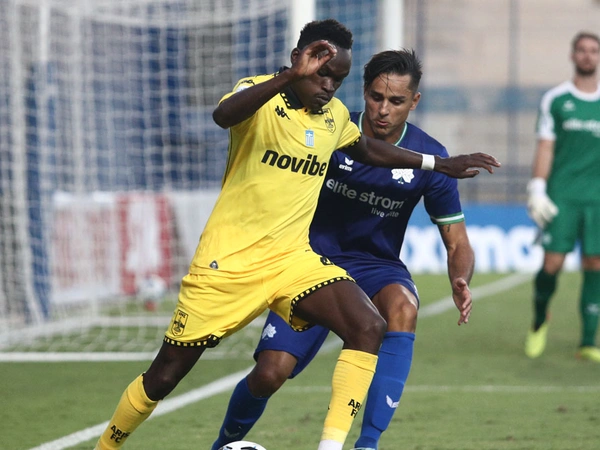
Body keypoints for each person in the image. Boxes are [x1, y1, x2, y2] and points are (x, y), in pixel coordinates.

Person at [95, 19, 499, 450]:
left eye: (337, 79)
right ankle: (107, 446)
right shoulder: (259, 95)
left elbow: (366, 149)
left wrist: (438, 164)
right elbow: (222, 115)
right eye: (322, 74)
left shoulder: (335, 117)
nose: (328, 86)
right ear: (298, 60)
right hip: (229, 263)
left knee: (369, 326)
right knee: (167, 375)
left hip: (294, 260)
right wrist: (288, 77)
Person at [211, 49, 475, 450]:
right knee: (269, 374)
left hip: (376, 266)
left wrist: (460, 278)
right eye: (376, 97)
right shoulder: (329, 128)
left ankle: (367, 444)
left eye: (396, 101)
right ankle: (222, 444)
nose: (383, 110)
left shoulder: (430, 156)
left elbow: (457, 241)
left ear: (414, 101)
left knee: (403, 307)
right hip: (309, 261)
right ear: (364, 92)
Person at [525, 31, 600, 362]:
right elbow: (546, 146)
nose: (588, 55)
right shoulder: (556, 99)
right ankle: (539, 320)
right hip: (563, 196)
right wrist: (537, 187)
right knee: (552, 263)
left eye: (594, 50)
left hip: (597, 198)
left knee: (595, 263)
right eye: (582, 50)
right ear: (573, 55)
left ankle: (588, 341)